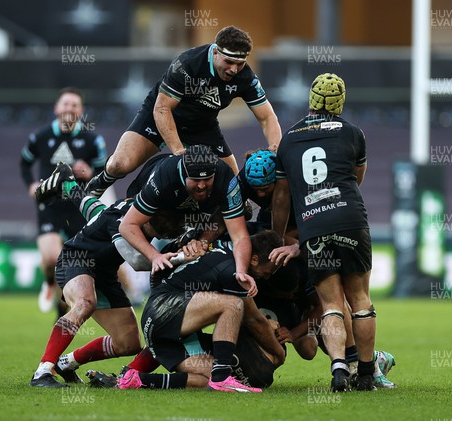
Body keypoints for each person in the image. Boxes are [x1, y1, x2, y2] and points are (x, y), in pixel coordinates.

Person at [30, 164, 187, 387]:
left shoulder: (132, 209)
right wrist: (179, 258)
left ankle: (66, 363)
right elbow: (137, 261)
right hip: (75, 259)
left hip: (104, 273)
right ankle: (43, 371)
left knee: (128, 343)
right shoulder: (124, 222)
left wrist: (69, 185)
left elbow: (94, 210)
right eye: (157, 233)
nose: (156, 237)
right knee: (85, 303)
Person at [84, 25, 281, 197]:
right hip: (159, 116)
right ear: (215, 52)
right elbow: (162, 109)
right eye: (229, 62)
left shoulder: (245, 77)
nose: (233, 70)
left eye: (240, 64)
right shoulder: (188, 63)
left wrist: (276, 148)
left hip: (202, 126)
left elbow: (267, 117)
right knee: (120, 165)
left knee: (231, 187)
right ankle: (102, 180)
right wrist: (179, 151)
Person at [271, 73, 376, 391]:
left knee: (330, 304)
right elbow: (356, 177)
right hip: (350, 221)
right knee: (360, 300)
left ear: (311, 100)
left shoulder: (289, 138)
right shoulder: (353, 133)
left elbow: (281, 196)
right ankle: (367, 374)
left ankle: (339, 369)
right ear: (340, 102)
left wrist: (280, 235)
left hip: (313, 226)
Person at [118, 230, 286, 392]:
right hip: (163, 310)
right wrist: (279, 354)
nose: (268, 276)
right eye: (270, 270)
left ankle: (137, 380)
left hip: (165, 332)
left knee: (209, 379)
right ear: (255, 259)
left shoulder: (225, 249)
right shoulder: (234, 270)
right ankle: (222, 378)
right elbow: (254, 320)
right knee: (233, 305)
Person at [20, 87, 107, 318]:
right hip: (48, 204)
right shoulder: (40, 136)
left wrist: (90, 172)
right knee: (50, 259)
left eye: (74, 105)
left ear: (81, 110)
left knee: (71, 266)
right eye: (65, 104)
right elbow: (24, 162)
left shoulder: (92, 140)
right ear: (57, 108)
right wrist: (30, 184)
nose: (69, 109)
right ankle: (48, 282)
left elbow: (104, 171)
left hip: (77, 207)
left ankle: (61, 312)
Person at [119, 145, 252, 286]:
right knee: (138, 260)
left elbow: (240, 236)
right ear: (184, 174)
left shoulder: (224, 177)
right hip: (157, 200)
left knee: (222, 226)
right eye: (196, 180)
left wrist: (241, 271)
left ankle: (193, 241)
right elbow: (127, 225)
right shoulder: (164, 177)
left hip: (198, 212)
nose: (201, 185)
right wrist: (155, 256)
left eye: (207, 179)